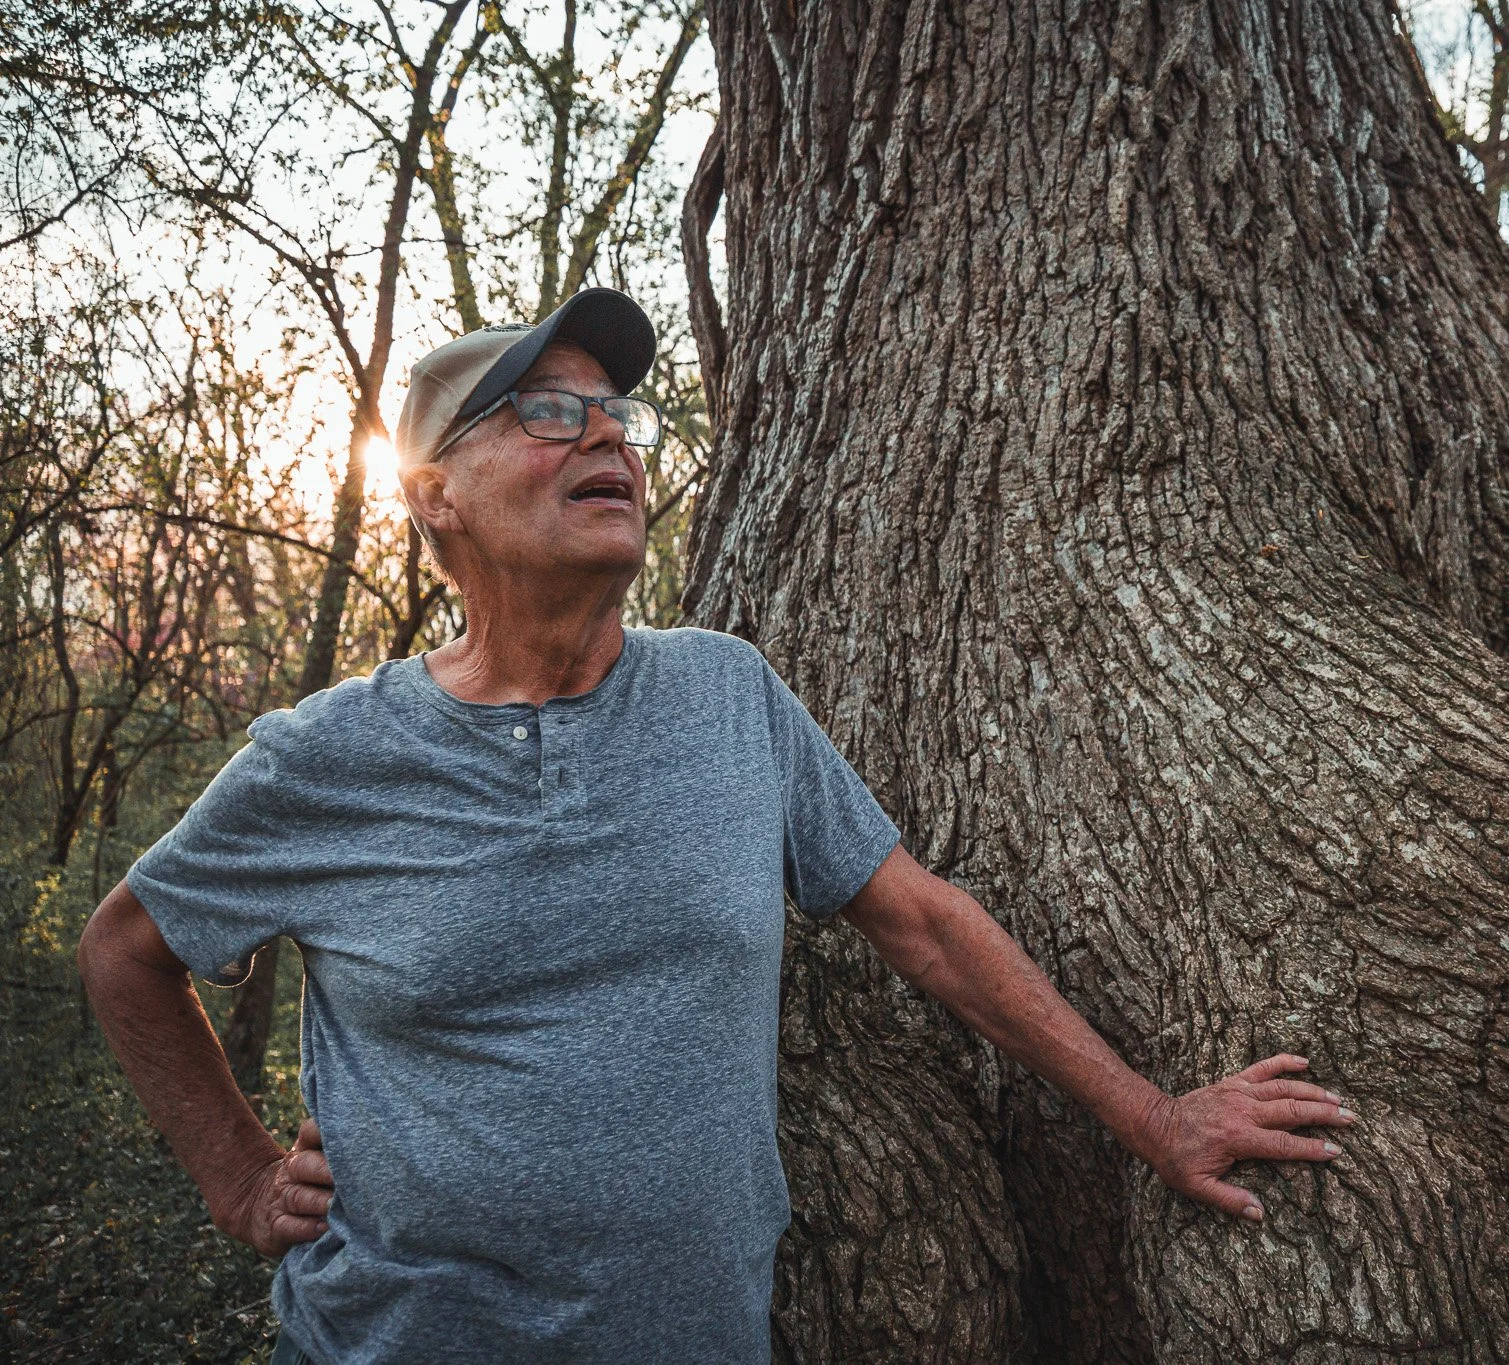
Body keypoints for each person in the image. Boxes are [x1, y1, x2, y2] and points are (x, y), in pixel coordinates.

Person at [75, 288, 1354, 1364]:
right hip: (394, 1341)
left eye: (617, 417)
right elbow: (126, 949)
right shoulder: (332, 757)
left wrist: (1158, 1120)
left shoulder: (727, 695)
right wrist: (240, 1180)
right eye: (547, 413)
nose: (609, 442)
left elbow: (924, 925)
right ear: (434, 496)